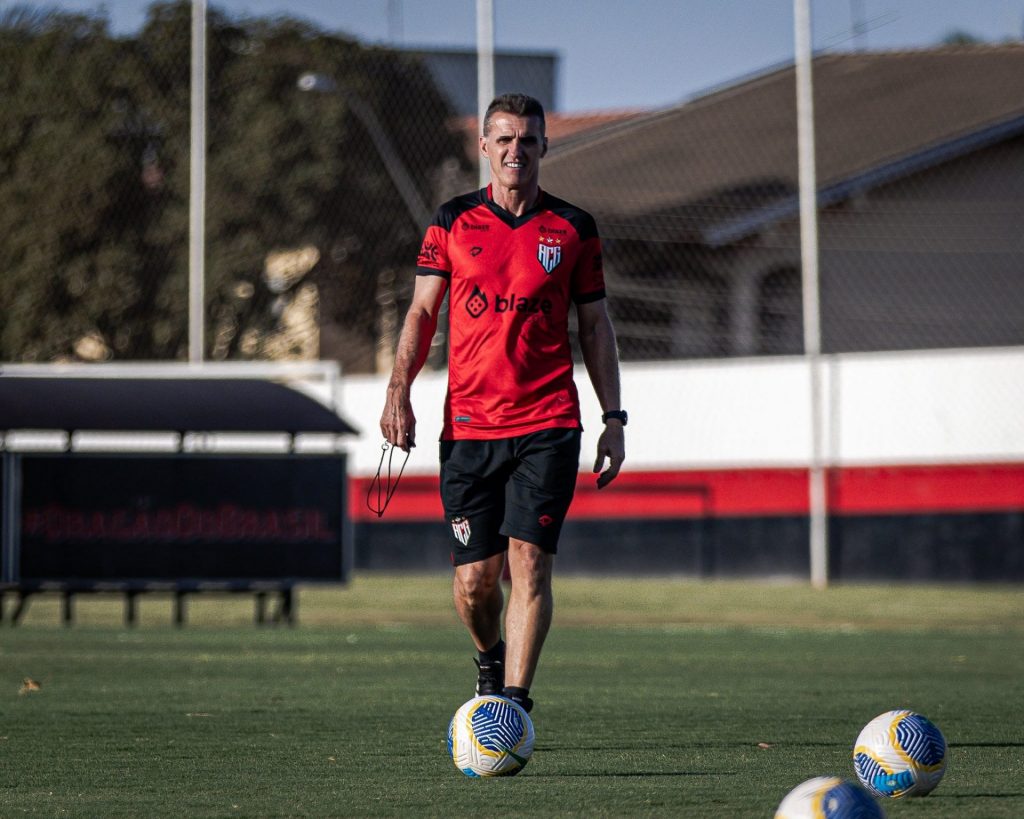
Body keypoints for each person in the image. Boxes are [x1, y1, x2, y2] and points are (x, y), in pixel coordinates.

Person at [380, 93, 626, 714]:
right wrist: (398, 391)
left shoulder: (573, 228)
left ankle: (512, 707)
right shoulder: (451, 222)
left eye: (529, 139)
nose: (517, 150)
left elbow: (595, 328)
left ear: (545, 146)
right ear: (485, 147)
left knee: (530, 565)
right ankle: (489, 657)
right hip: (468, 429)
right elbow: (420, 312)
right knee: (473, 583)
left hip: (549, 422)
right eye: (505, 139)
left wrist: (613, 419)